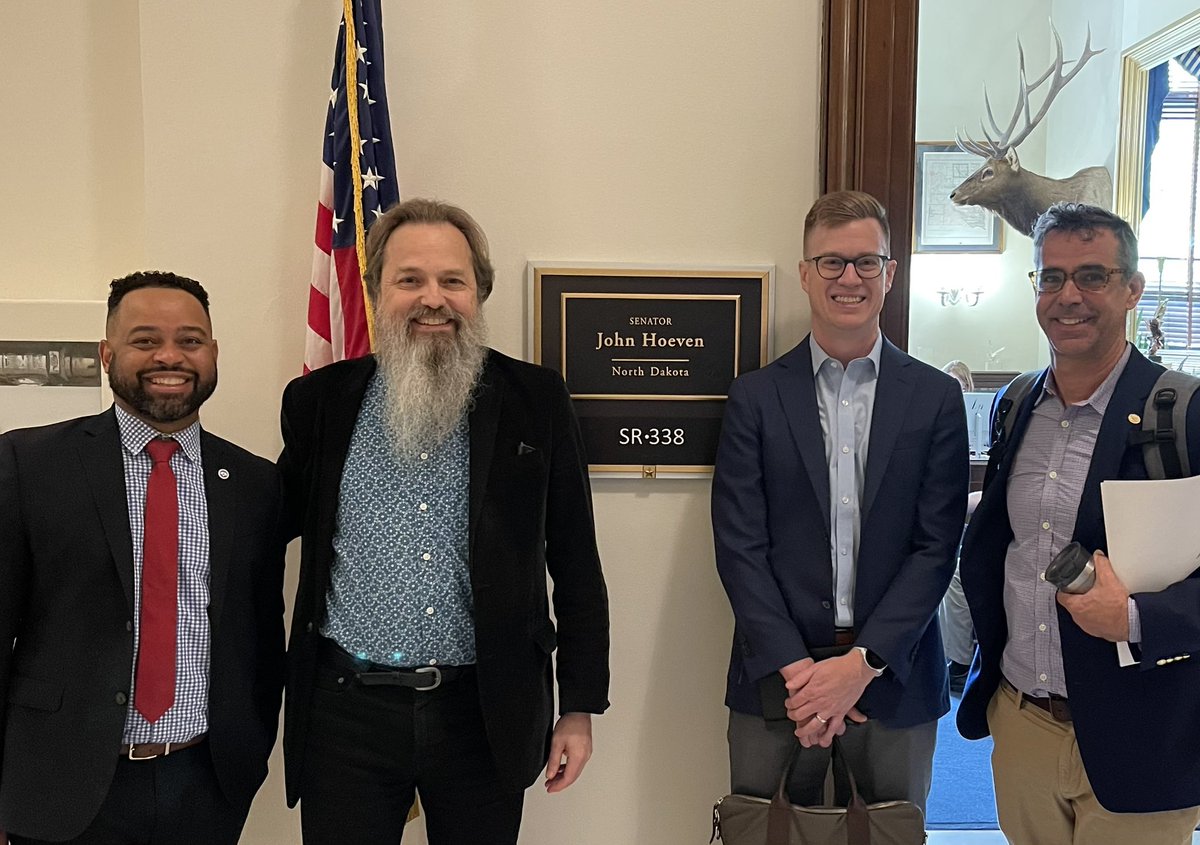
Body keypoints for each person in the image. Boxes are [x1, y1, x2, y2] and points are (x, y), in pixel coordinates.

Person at [278, 198, 610, 845]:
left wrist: (579, 706)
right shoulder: (319, 403)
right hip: (347, 713)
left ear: (478, 292)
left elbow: (576, 563)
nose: (434, 298)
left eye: (452, 280)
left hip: (483, 710)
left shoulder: (535, 401)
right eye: (410, 279)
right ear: (376, 291)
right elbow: (265, 533)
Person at [0, 272, 285, 844]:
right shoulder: (28, 464)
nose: (170, 356)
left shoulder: (257, 484)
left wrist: (250, 748)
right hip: (60, 784)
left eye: (190, 339)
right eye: (145, 339)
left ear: (212, 353)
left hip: (206, 781)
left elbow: (260, 632)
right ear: (108, 354)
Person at [712, 190, 968, 811]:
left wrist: (862, 664)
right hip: (776, 681)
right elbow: (739, 547)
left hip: (896, 677)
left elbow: (936, 548)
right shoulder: (755, 398)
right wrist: (802, 676)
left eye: (866, 262)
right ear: (805, 273)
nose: (849, 277)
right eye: (831, 262)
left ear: (890, 274)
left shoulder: (935, 399)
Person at [957, 202, 1200, 843]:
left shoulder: (1184, 414)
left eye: (1092, 276)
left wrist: (1140, 619)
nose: (1069, 296)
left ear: (1132, 290)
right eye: (1051, 277)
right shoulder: (1014, 407)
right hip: (1024, 723)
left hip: (1144, 729)